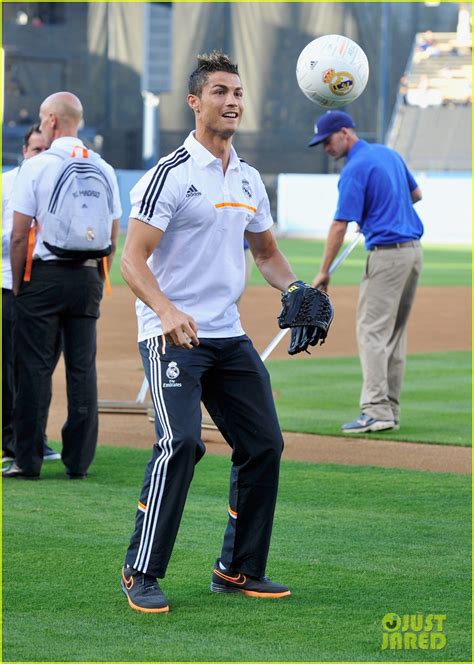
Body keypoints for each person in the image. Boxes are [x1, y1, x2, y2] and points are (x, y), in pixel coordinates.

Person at [120, 51, 300, 613]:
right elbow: (131, 260)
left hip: (227, 334)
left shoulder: (247, 177)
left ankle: (239, 570)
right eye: (220, 91)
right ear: (195, 102)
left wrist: (295, 291)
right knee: (182, 443)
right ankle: (140, 571)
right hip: (170, 334)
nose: (233, 101)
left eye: (239, 93)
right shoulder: (170, 174)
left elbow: (266, 252)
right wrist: (167, 311)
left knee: (264, 444)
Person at [3, 92, 122, 480]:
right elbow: (113, 232)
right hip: (88, 276)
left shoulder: (36, 167)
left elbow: (19, 236)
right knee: (82, 369)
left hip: (44, 277)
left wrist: (22, 286)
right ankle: (79, 461)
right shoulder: (103, 167)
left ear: (52, 120)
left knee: (33, 369)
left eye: (41, 117)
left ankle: (28, 459)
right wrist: (98, 278)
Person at [310, 110, 423, 434]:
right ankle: (390, 409)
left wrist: (324, 272)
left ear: (345, 133)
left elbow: (338, 225)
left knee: (371, 331)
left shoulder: (354, 169)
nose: (326, 148)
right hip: (413, 253)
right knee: (393, 334)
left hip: (387, 256)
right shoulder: (389, 153)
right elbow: (416, 195)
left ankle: (376, 410)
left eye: (327, 141)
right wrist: (383, 211)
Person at [2, 124, 61, 464]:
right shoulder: (7, 184)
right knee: (12, 367)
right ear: (25, 152)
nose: (40, 155)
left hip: (47, 288)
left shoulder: (58, 183)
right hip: (10, 284)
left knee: (40, 367)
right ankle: (11, 439)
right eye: (36, 149)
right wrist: (19, 238)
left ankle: (34, 438)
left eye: (45, 149)